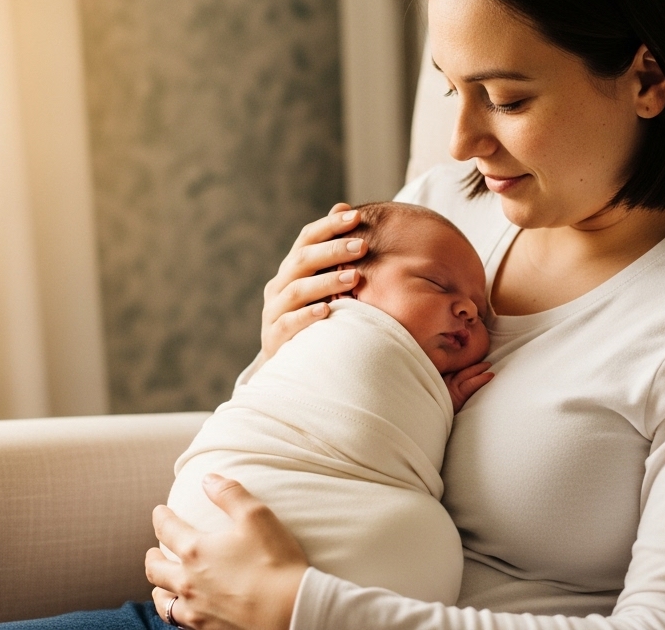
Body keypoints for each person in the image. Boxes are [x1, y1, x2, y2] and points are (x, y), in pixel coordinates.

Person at [0, 0, 665, 628]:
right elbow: (302, 447)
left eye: (505, 98)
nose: (461, 141)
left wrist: (300, 607)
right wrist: (285, 357)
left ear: (648, 78)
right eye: (449, 89)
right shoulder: (442, 211)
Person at [165, 202, 492, 606]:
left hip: (312, 591)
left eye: (481, 311)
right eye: (437, 284)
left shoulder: (427, 382)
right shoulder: (341, 325)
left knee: (423, 536)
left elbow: (385, 442)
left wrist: (436, 404)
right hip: (228, 498)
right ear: (344, 283)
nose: (469, 310)